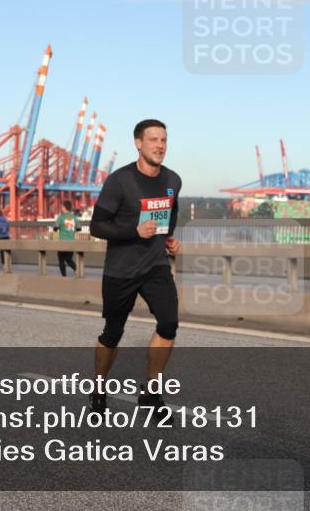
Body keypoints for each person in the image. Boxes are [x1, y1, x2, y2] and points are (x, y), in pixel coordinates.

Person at [88, 119, 181, 420]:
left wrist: (169, 238)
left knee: (169, 324)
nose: (160, 145)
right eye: (153, 139)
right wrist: (133, 231)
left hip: (155, 265)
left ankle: (151, 393)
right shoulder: (120, 181)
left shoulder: (173, 179)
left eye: (163, 140)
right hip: (121, 269)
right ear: (138, 144)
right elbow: (97, 226)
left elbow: (170, 212)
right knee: (113, 333)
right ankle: (98, 388)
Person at [54, 199, 79, 276]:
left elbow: (55, 228)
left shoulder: (61, 217)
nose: (61, 208)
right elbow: (79, 228)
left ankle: (64, 276)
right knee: (68, 259)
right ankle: (77, 270)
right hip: (71, 242)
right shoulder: (74, 217)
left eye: (62, 207)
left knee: (61, 260)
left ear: (65, 207)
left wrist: (58, 228)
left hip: (62, 242)